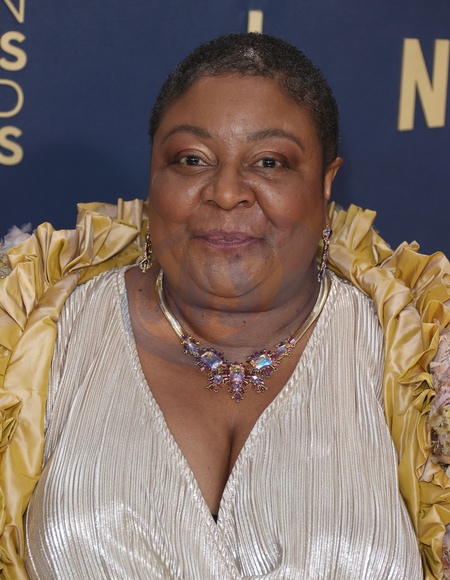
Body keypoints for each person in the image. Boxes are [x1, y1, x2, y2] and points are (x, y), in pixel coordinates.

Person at [1, 32, 450, 579]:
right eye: (192, 159)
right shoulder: (36, 331)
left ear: (326, 183)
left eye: (269, 162)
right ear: (153, 173)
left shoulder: (417, 353)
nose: (227, 191)